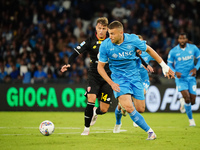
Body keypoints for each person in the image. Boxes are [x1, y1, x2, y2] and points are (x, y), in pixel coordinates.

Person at [98, 21, 174, 140]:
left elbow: (149, 49)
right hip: (119, 80)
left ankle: (122, 105)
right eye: (109, 33)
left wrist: (164, 66)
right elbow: (100, 67)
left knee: (140, 109)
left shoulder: (132, 39)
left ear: (121, 33)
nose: (110, 36)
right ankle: (150, 132)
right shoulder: (105, 45)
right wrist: (111, 83)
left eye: (112, 34)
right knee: (129, 107)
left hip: (135, 78)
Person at [61, 17, 113, 136]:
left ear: (107, 29)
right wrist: (69, 63)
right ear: (96, 28)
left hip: (108, 76)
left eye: (104, 29)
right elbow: (75, 53)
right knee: (91, 99)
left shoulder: (112, 41)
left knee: (104, 109)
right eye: (99, 28)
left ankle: (96, 111)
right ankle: (86, 128)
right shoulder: (89, 41)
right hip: (94, 75)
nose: (101, 31)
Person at [114, 35, 155, 130]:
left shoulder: (146, 53)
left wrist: (163, 66)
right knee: (120, 106)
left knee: (141, 94)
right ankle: (118, 123)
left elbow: (155, 55)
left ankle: (130, 109)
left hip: (143, 81)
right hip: (129, 81)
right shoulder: (128, 53)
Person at [167, 33, 200, 126]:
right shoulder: (173, 51)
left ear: (186, 39)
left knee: (193, 101)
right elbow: (169, 64)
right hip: (180, 78)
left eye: (183, 38)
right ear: (178, 40)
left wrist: (196, 68)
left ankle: (183, 104)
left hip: (191, 77)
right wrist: (174, 72)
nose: (182, 40)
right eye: (180, 39)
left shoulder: (193, 48)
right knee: (187, 98)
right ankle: (191, 120)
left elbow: (199, 59)